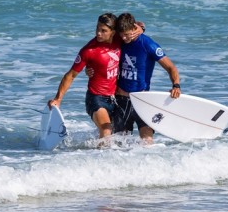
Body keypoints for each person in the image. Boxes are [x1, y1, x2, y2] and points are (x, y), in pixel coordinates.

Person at [48, 13, 143, 143]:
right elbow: (70, 75)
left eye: (103, 31)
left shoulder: (119, 40)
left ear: (113, 32)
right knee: (106, 130)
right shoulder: (89, 51)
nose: (98, 33)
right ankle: (98, 160)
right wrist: (58, 99)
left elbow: (137, 26)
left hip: (115, 99)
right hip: (96, 98)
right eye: (97, 29)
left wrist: (140, 29)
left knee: (121, 136)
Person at [113, 12, 181, 144]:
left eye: (127, 34)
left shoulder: (148, 44)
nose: (124, 38)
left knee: (147, 141)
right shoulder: (119, 40)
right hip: (121, 100)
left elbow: (171, 67)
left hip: (142, 100)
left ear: (134, 28)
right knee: (118, 144)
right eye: (121, 34)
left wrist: (176, 85)